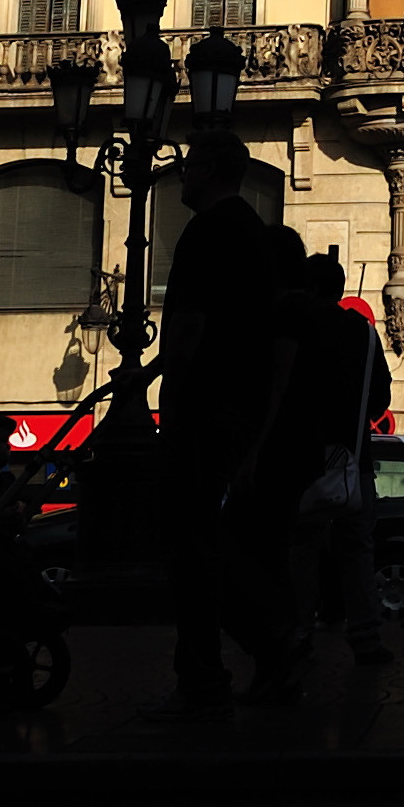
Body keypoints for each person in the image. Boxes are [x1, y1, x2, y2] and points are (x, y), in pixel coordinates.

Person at [150, 131, 301, 710]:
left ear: (209, 170)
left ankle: (207, 676)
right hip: (238, 403)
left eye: (188, 166)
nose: (180, 175)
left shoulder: (206, 232)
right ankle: (266, 644)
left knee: (188, 544)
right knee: (205, 538)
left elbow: (189, 327)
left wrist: (170, 392)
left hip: (205, 408)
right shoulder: (252, 234)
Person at [266, 254, 395, 665]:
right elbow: (380, 398)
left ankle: (298, 632)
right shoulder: (364, 333)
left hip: (303, 455)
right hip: (353, 458)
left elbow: (279, 384)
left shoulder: (294, 322)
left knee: (301, 547)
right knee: (357, 547)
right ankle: (366, 636)